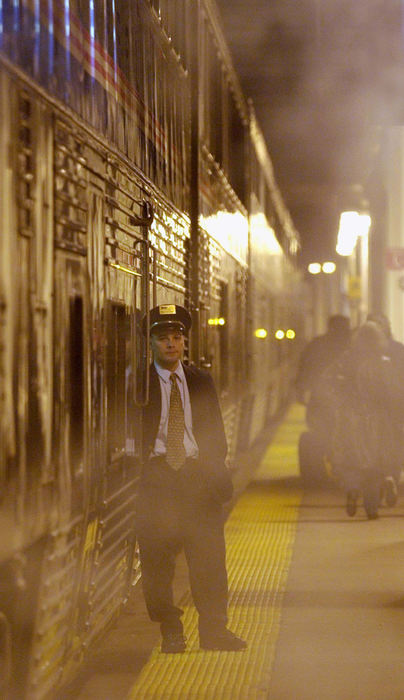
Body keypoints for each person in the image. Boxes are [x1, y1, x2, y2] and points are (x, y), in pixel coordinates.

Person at [135, 303, 246, 654]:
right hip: (157, 481)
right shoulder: (137, 384)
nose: (171, 344)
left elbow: (215, 431)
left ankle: (214, 632)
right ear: (151, 344)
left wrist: (217, 473)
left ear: (185, 343)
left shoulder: (200, 380)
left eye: (177, 338)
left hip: (198, 482)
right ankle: (170, 628)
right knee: (156, 564)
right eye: (163, 338)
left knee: (209, 562)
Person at [328, 321, 400, 519]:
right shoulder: (384, 363)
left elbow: (331, 383)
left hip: (350, 417)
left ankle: (352, 490)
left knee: (352, 460)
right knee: (376, 462)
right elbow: (394, 392)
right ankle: (372, 505)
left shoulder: (345, 360)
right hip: (378, 419)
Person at [295, 314, 351, 406]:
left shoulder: (316, 344)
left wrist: (300, 389)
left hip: (319, 395)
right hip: (344, 399)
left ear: (329, 327)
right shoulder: (352, 346)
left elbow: (305, 368)